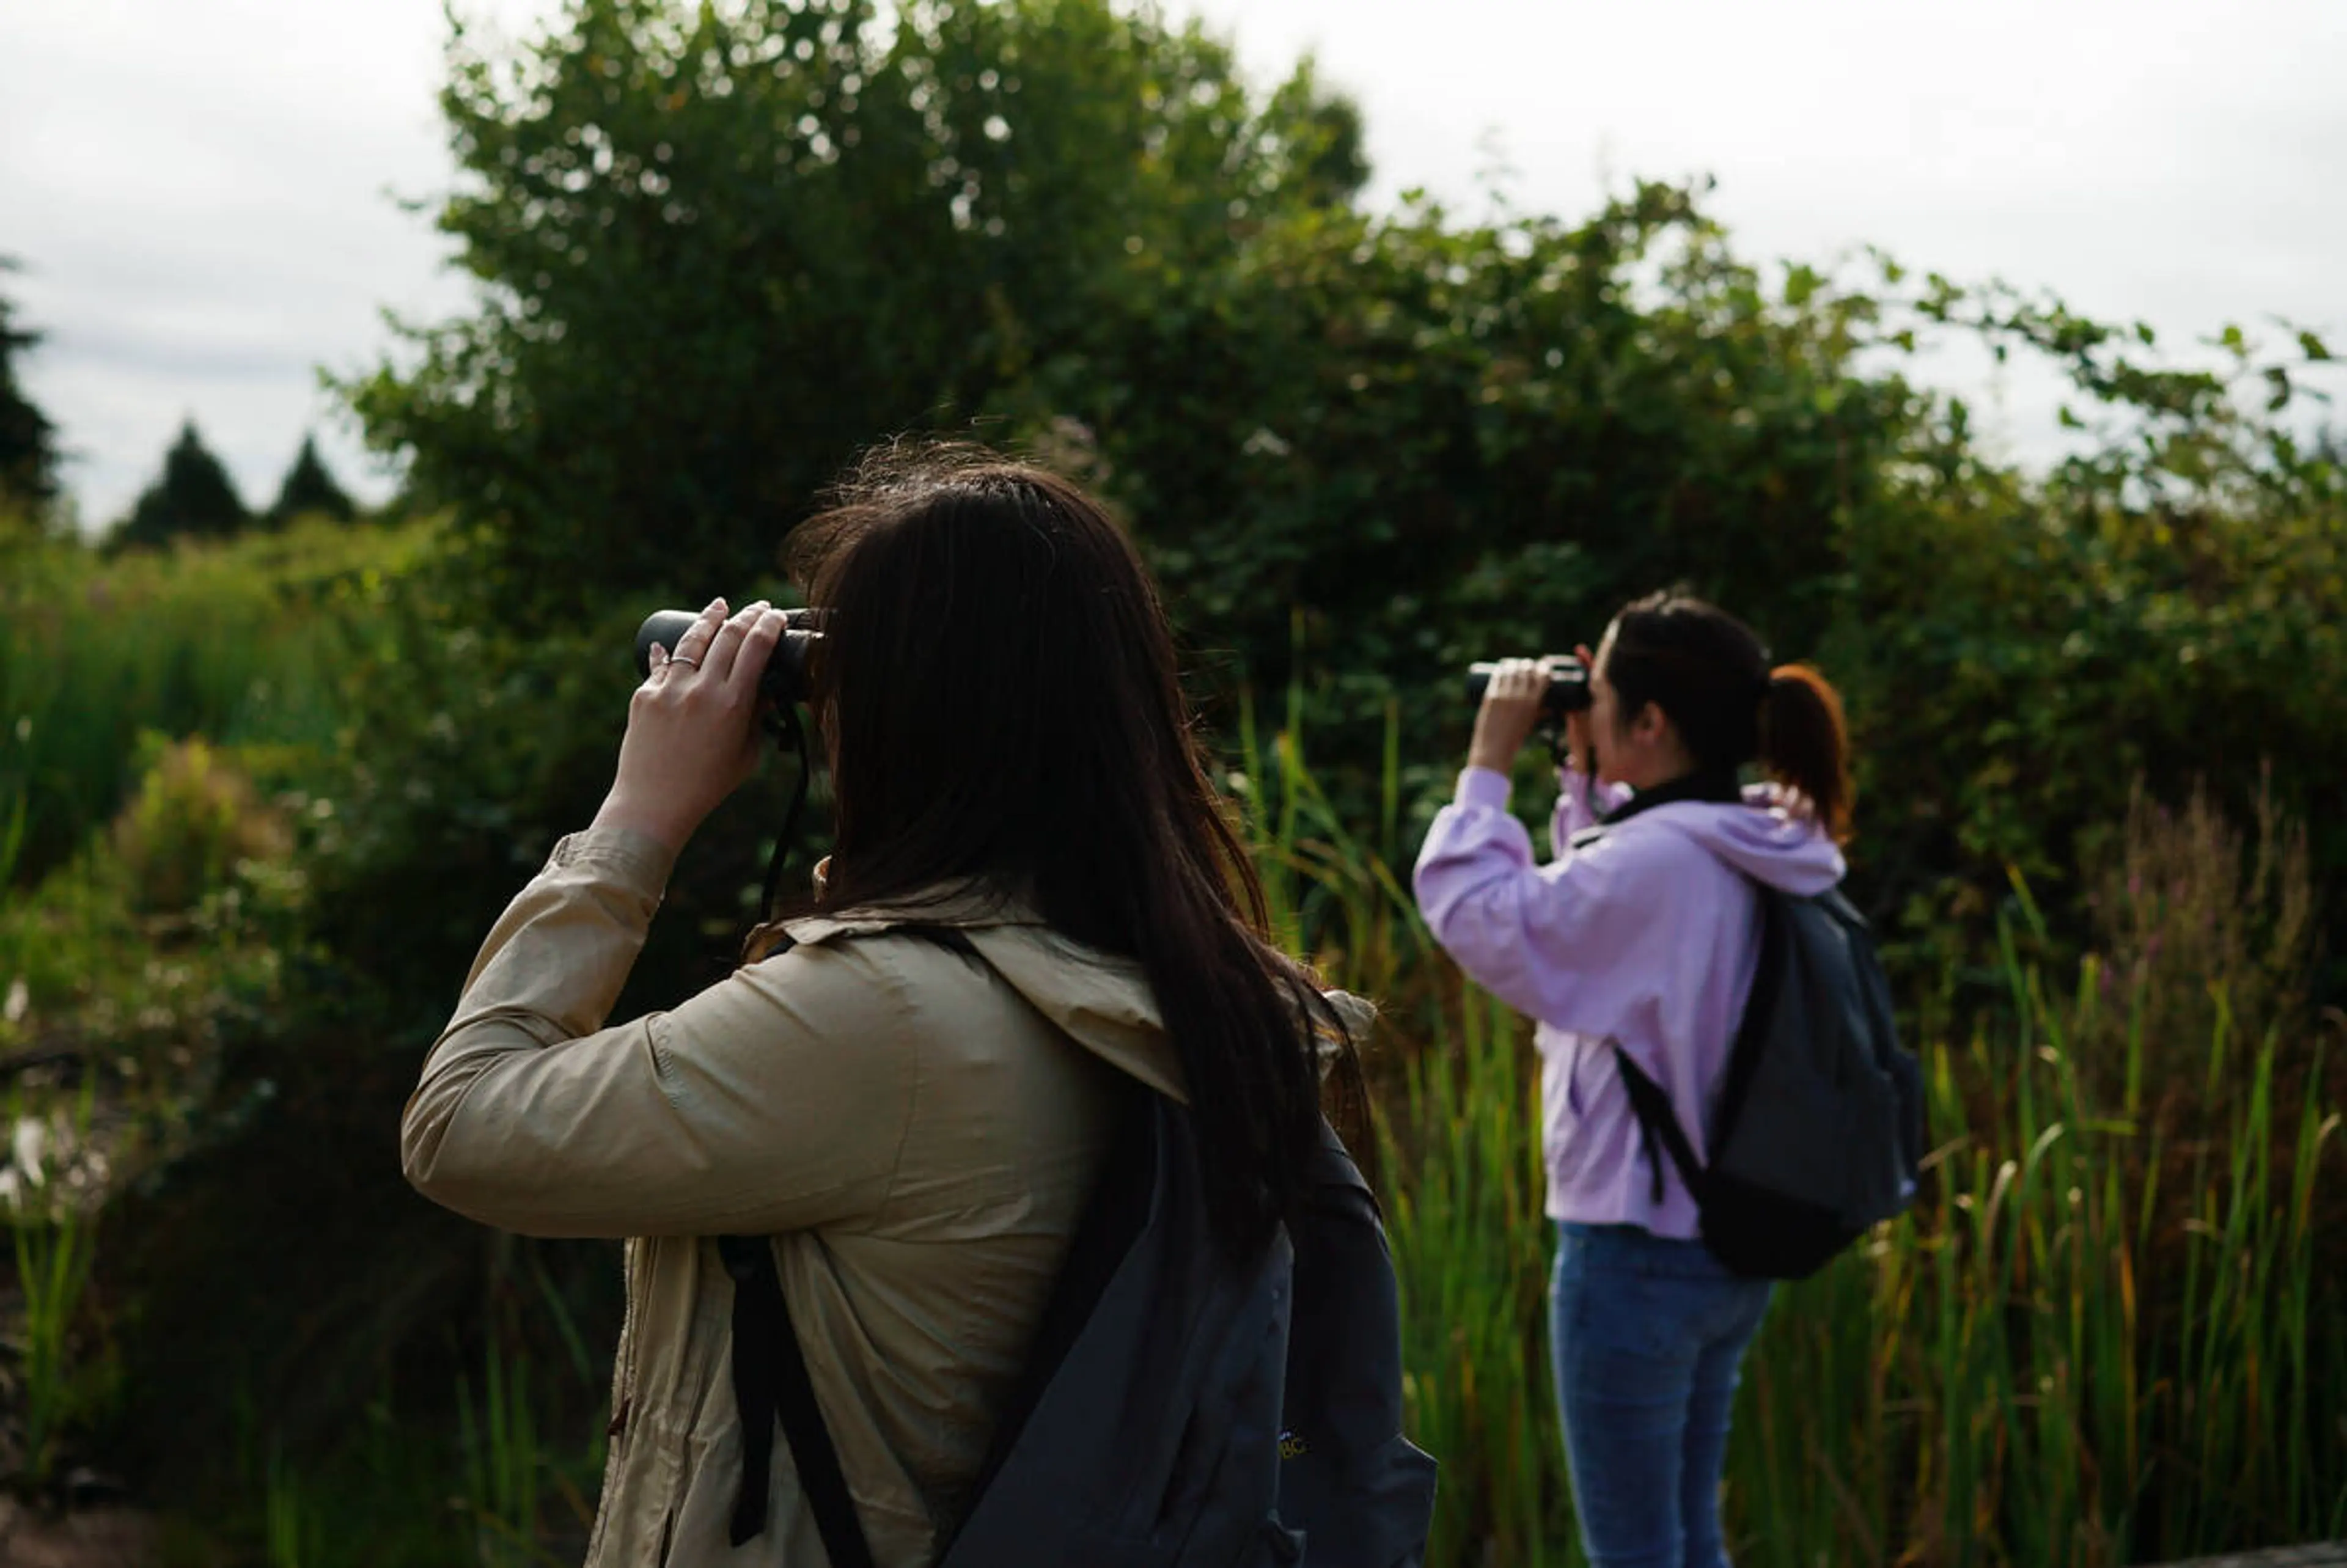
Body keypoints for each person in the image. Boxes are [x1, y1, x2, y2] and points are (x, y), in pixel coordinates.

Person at [400, 447, 1371, 1567]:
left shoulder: (881, 1019)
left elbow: (461, 1123)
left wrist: (635, 822)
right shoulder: (1185, 982)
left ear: (895, 711)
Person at [1411, 592, 1855, 1568]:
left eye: (1601, 694)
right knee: (1689, 1537)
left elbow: (1482, 912)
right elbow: (1605, 920)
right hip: (1728, 1238)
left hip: (1634, 1251)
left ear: (1650, 721)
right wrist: (1584, 772)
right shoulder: (1755, 839)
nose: (1590, 704)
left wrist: (1487, 765)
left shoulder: (1660, 862)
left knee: (1636, 1552)